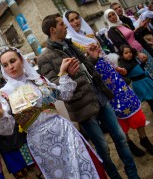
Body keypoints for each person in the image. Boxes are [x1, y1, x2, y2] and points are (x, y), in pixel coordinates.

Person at [38, 13, 139, 179]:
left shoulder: (70, 44)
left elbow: (85, 71)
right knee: (103, 150)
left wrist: (91, 59)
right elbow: (57, 89)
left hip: (99, 97)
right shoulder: (45, 58)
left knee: (120, 138)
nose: (66, 27)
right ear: (52, 29)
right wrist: (67, 75)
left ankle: (133, 175)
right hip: (82, 108)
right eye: (62, 24)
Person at [0, 46, 107, 179]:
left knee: (86, 165)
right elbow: (7, 130)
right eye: (5, 65)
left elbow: (64, 94)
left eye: (12, 61)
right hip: (40, 142)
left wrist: (64, 74)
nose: (10, 66)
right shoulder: (4, 93)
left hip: (63, 130)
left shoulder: (38, 80)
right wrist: (0, 114)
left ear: (21, 60)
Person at [63, 10, 153, 157]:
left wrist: (116, 67)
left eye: (77, 18)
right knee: (115, 112)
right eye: (71, 20)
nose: (76, 21)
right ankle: (128, 142)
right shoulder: (70, 41)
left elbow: (102, 53)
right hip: (97, 80)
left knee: (130, 102)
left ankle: (144, 139)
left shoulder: (88, 33)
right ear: (67, 24)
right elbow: (81, 65)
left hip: (111, 74)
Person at [0, 79, 39, 179]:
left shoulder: (1, 96)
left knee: (31, 163)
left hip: (17, 135)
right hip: (3, 143)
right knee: (18, 171)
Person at [117, 45, 153, 129]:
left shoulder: (133, 60)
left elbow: (139, 67)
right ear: (121, 55)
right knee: (151, 101)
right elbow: (126, 72)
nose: (129, 54)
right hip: (140, 84)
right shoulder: (125, 65)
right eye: (126, 53)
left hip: (145, 81)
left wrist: (143, 62)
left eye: (130, 52)